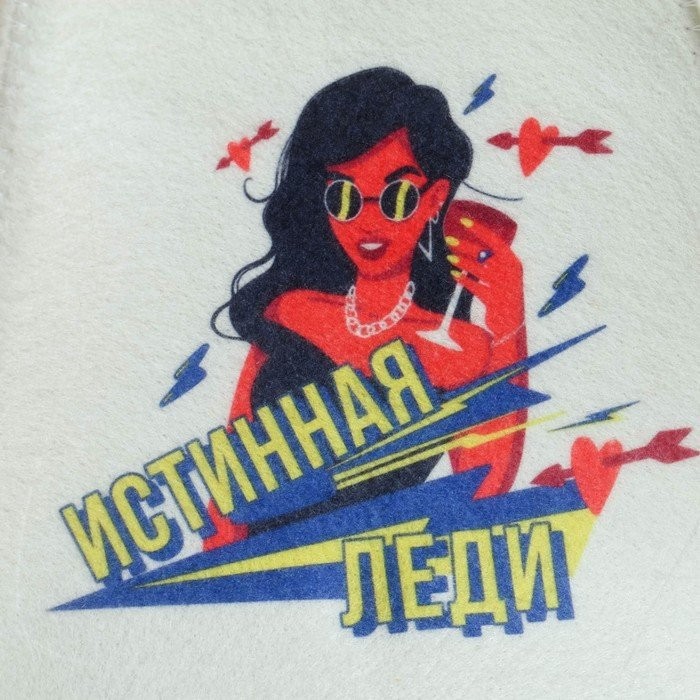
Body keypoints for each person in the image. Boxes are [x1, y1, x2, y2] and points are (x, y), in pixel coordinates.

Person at [206, 67, 527, 546]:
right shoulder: (290, 310)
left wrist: (508, 320)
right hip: (260, 573)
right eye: (345, 197)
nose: (368, 222)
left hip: (369, 574)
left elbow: (481, 493)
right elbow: (229, 486)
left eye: (398, 196)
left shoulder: (462, 349)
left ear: (435, 199)